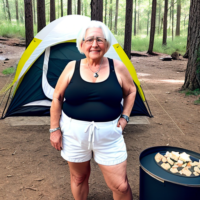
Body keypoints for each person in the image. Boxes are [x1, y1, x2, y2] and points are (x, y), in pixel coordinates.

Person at [50, 20, 136, 200]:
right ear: (81, 44)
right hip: (73, 134)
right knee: (79, 177)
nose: (94, 44)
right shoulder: (71, 67)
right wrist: (54, 129)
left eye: (99, 39)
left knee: (121, 186)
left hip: (109, 136)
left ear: (106, 44)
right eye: (89, 40)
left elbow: (131, 91)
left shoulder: (118, 66)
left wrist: (125, 117)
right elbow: (57, 97)